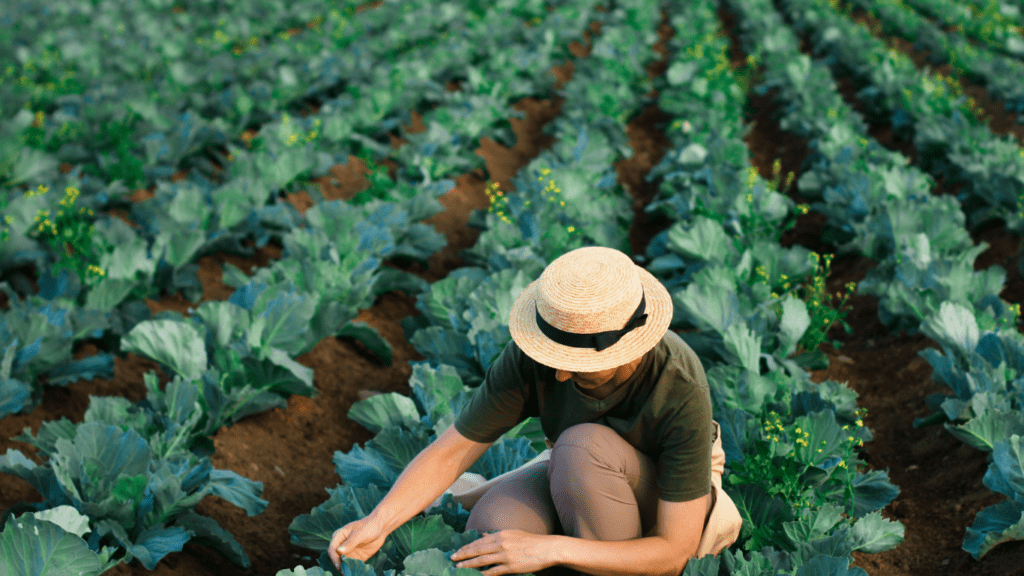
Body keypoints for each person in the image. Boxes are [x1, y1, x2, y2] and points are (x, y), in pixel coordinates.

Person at [328, 246, 741, 575]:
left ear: (624, 348)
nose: (558, 373)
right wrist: (377, 524)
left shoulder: (679, 383)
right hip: (574, 473)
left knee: (583, 445)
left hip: (658, 506)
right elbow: (454, 450)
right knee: (492, 529)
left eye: (575, 362)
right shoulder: (534, 359)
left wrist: (550, 548)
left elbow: (674, 552)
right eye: (553, 352)